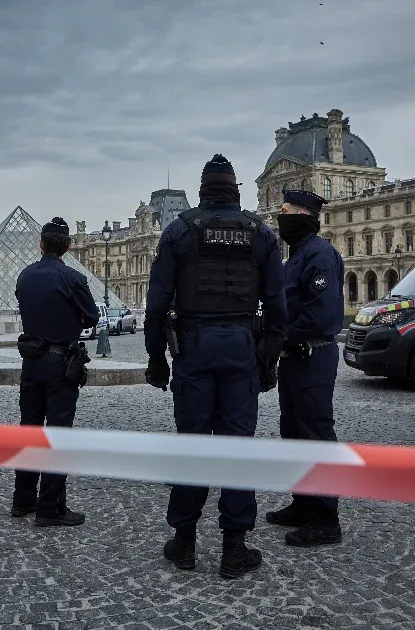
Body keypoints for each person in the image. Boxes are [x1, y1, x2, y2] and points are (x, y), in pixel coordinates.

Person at [144, 154, 287, 579]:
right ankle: (234, 548)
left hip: (194, 347)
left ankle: (184, 542)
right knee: (237, 448)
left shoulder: (180, 230)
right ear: (236, 191)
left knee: (192, 445)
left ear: (203, 191)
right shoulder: (260, 233)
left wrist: (156, 359)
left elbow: (156, 306)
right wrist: (268, 362)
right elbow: (278, 307)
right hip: (242, 347)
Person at [265, 189, 346, 547]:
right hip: (295, 357)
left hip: (313, 355)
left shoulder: (320, 255)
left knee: (316, 434)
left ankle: (326, 518)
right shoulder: (298, 255)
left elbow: (321, 314)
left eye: (283, 212)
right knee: (294, 431)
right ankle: (303, 502)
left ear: (301, 216)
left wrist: (284, 336)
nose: (279, 218)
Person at [13, 217, 99, 527]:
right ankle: (50, 507)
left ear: (41, 244)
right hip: (61, 364)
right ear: (68, 246)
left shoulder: (25, 276)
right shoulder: (72, 277)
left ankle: (23, 499)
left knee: (29, 431)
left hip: (31, 362)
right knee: (57, 435)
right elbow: (91, 317)